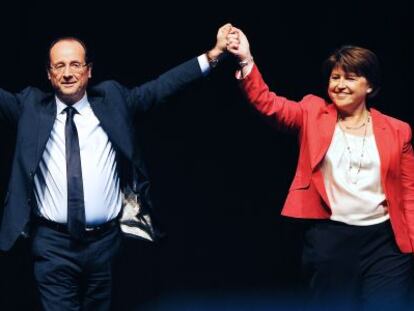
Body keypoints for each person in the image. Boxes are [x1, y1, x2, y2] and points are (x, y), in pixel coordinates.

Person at [0, 24, 238, 310]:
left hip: (105, 245)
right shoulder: (30, 107)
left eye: (75, 64)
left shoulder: (113, 100)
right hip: (52, 246)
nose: (67, 73)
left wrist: (213, 55)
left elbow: (161, 87)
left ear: (89, 70)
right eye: (59, 66)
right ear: (49, 74)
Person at [226, 28, 414, 310]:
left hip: (385, 244)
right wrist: (245, 60)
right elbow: (269, 105)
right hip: (331, 241)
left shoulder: (398, 130)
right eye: (335, 77)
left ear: (370, 87)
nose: (340, 84)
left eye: (350, 78)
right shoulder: (312, 112)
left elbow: (408, 190)